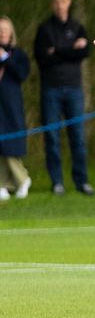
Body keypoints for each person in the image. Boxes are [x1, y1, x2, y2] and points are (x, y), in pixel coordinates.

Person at [34, 0, 94, 196]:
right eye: (56, 1)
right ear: (52, 4)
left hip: (74, 90)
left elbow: (84, 52)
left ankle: (81, 181)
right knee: (52, 137)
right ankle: (57, 182)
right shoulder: (44, 29)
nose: (60, 5)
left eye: (64, 1)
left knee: (77, 137)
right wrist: (70, 49)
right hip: (51, 90)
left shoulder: (78, 27)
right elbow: (43, 58)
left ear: (69, 2)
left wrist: (58, 50)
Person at [0, 17, 33, 200]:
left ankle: (22, 179)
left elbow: (22, 74)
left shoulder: (17, 54)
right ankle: (3, 184)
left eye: (5, 30)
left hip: (11, 105)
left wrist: (5, 58)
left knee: (11, 143)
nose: (3, 33)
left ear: (11, 32)